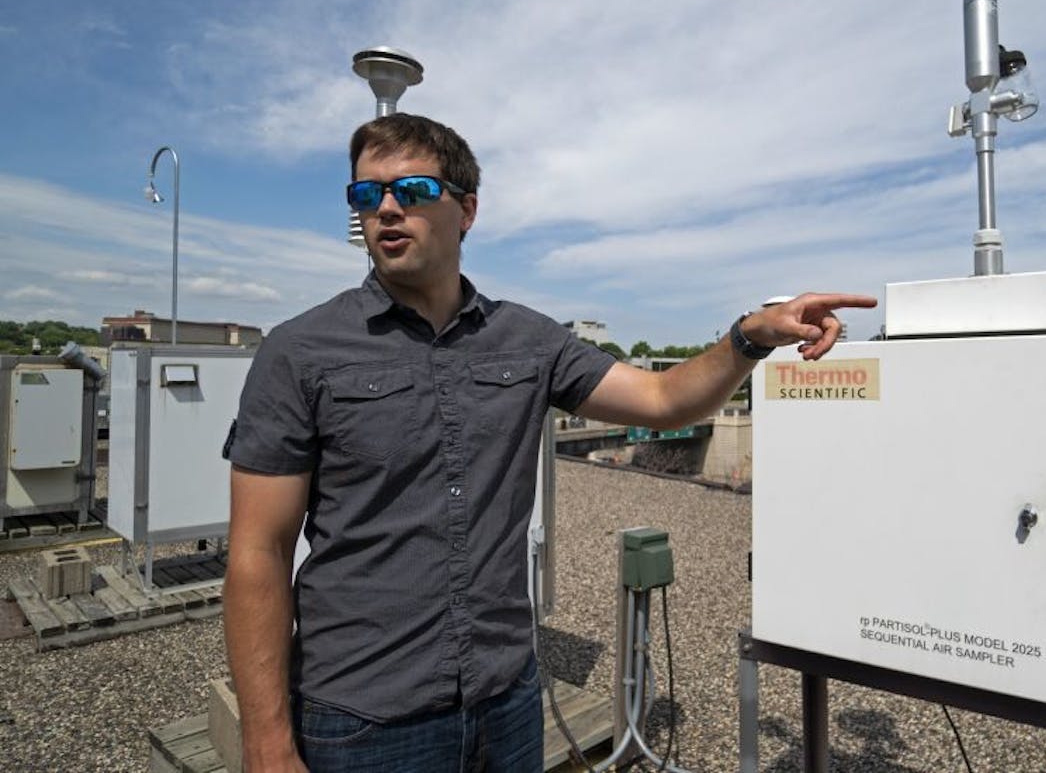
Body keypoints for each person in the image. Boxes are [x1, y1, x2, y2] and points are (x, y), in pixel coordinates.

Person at [223, 112, 875, 773]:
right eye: (367, 195)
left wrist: (751, 335)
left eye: (412, 192)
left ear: (466, 209)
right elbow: (258, 551)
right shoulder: (299, 353)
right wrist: (267, 741)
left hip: (505, 702)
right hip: (363, 720)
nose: (386, 210)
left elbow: (663, 399)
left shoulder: (526, 341)